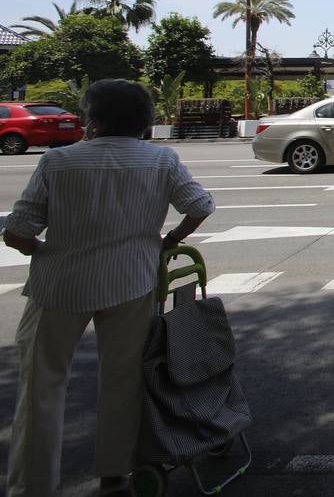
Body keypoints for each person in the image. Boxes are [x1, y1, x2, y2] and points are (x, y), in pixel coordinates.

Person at [1, 79, 216, 497]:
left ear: (92, 119)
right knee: (123, 379)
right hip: (131, 281)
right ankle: (115, 471)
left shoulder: (58, 162)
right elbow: (200, 205)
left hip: (58, 284)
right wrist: (168, 241)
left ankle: (32, 485)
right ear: (145, 121)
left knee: (41, 385)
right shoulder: (161, 160)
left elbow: (19, 229)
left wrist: (40, 248)